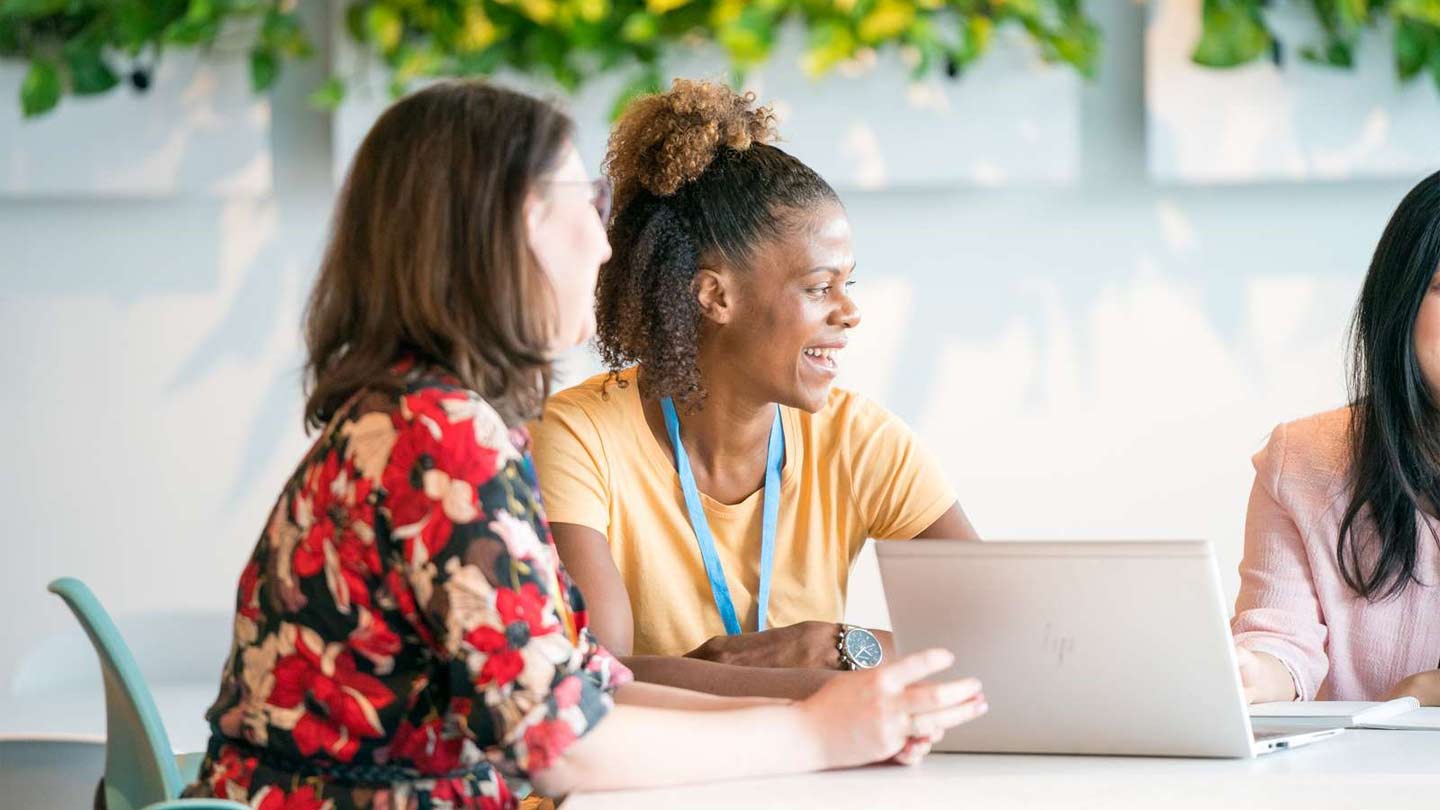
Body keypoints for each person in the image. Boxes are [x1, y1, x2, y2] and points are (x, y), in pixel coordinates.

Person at [180, 80, 987, 809]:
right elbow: (560, 745)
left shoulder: (425, 420)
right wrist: (816, 733)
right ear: (506, 231)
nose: (604, 246)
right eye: (584, 205)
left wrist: (825, 708)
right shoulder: (436, 439)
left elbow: (586, 689)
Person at [529, 79, 978, 699]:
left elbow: (998, 640)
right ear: (715, 295)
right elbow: (597, 680)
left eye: (849, 283)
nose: (850, 312)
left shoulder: (861, 438)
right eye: (820, 287)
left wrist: (833, 646)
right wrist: (818, 682)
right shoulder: (579, 438)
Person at [1233, 170, 1440, 705]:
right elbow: (1280, 644)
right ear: (1401, 302)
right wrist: (1248, 674)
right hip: (1352, 787)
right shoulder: (1301, 460)